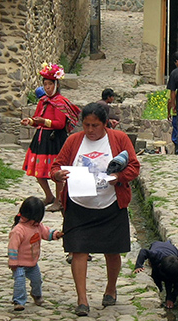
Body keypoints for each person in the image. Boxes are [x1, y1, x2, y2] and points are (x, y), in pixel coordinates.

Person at [50, 102, 140, 316]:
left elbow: (134, 166)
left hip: (110, 204)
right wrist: (58, 175)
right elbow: (56, 165)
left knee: (112, 250)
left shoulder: (118, 139)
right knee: (78, 249)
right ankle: (82, 299)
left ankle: (111, 288)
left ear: (105, 124)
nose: (90, 130)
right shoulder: (73, 141)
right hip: (79, 205)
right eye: (86, 125)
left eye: (95, 126)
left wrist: (118, 177)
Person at [21, 63, 81, 213]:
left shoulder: (60, 103)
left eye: (50, 84)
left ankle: (59, 200)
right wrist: (31, 121)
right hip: (41, 139)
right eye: (45, 84)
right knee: (38, 170)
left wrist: (44, 122)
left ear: (56, 84)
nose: (47, 87)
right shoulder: (43, 101)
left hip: (55, 140)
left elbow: (60, 124)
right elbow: (37, 118)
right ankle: (48, 196)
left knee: (57, 172)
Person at [8, 196, 63, 311]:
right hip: (19, 263)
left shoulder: (38, 226)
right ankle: (19, 301)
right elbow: (13, 248)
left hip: (33, 263)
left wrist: (55, 234)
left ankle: (36, 294)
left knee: (37, 280)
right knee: (19, 282)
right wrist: (13, 262)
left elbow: (46, 233)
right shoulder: (18, 230)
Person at [134, 240, 178, 309]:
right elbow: (143, 251)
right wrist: (138, 266)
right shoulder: (156, 255)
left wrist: (171, 298)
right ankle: (159, 288)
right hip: (157, 245)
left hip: (172, 249)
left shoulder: (176, 272)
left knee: (169, 281)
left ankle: (165, 294)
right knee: (156, 276)